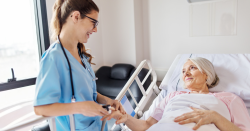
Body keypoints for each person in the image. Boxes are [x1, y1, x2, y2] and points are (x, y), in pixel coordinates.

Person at [33, 0, 124, 131]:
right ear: (75, 16)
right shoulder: (54, 58)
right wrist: (82, 107)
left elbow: (85, 92)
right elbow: (40, 108)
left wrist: (107, 100)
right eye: (93, 23)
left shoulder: (81, 55)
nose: (95, 29)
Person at [102, 57, 250, 131]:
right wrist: (126, 118)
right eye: (183, 71)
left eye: (192, 68)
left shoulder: (229, 98)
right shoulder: (173, 96)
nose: (186, 73)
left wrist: (215, 117)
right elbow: (146, 125)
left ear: (207, 75)